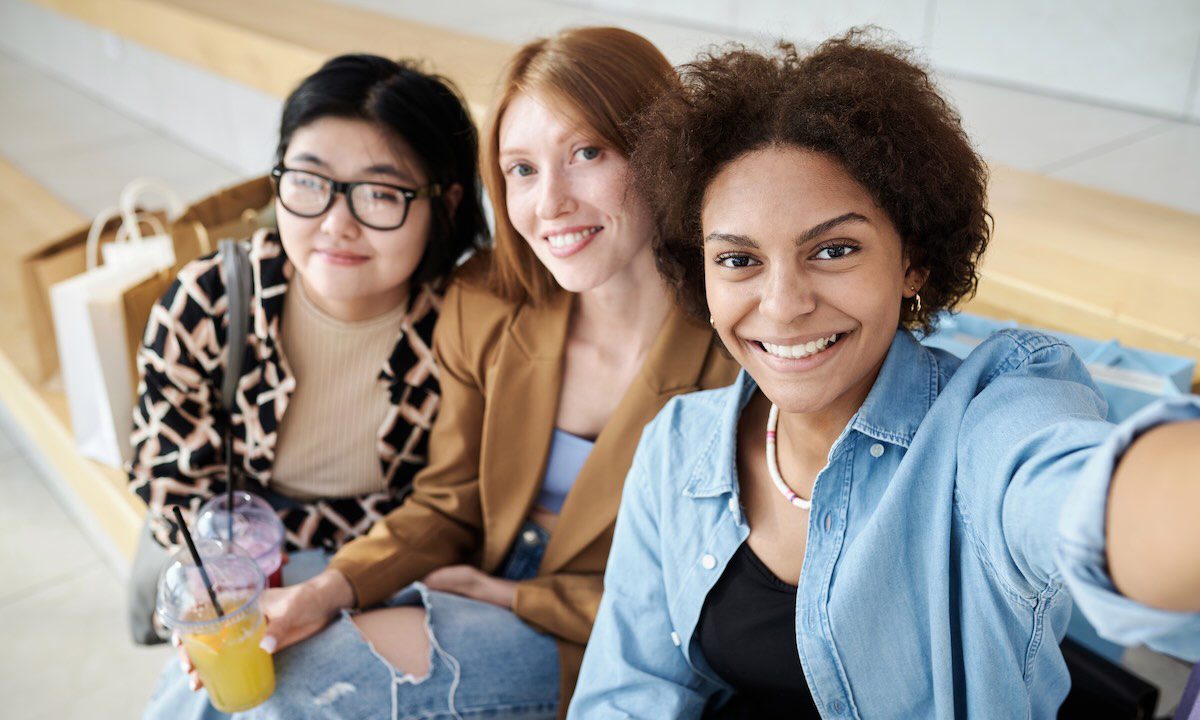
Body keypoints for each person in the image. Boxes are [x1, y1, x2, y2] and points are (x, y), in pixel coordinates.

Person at [570, 32, 1200, 718]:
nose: (782, 305)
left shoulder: (983, 425)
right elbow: (629, 694)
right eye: (738, 260)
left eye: (833, 249)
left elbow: (1072, 488)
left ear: (913, 262)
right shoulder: (676, 448)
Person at [164, 27, 738, 720]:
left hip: (602, 634)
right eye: (522, 169)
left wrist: (520, 598)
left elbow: (715, 590)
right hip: (471, 583)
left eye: (587, 153)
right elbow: (449, 500)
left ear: (664, 153)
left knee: (292, 699)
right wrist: (323, 592)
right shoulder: (488, 300)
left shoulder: (736, 349)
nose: (549, 202)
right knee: (225, 681)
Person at [129, 53, 485, 557]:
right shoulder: (212, 300)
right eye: (309, 181)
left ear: (446, 204)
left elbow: (451, 506)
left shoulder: (466, 324)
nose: (337, 223)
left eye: (380, 193)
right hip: (231, 566)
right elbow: (171, 484)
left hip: (390, 567)